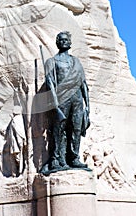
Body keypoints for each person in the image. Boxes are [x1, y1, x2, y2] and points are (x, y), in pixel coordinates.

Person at [43, 31, 90, 172]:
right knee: (59, 129)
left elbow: (83, 84)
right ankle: (57, 158)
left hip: (77, 98)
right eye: (61, 40)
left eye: (66, 40)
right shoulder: (51, 61)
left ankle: (74, 158)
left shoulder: (76, 61)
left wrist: (88, 105)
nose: (64, 42)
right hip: (62, 97)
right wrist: (55, 104)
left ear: (70, 43)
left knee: (76, 128)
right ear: (57, 42)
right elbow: (50, 83)